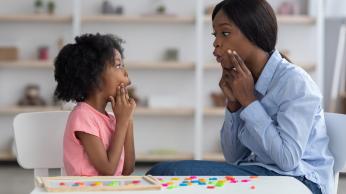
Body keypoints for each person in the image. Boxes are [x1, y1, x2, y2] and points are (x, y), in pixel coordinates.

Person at [146, 1, 334, 194]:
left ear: (254, 33)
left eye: (225, 33)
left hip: (300, 181)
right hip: (260, 173)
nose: (216, 42)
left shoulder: (295, 82)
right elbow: (233, 156)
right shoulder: (246, 80)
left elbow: (287, 160)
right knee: (161, 174)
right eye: (215, 34)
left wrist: (250, 102)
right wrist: (234, 105)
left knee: (167, 173)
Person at [54, 33, 136, 176]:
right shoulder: (82, 116)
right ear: (94, 75)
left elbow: (127, 169)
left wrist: (127, 119)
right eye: (118, 65)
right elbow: (108, 170)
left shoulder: (112, 118)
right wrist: (122, 122)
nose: (126, 73)